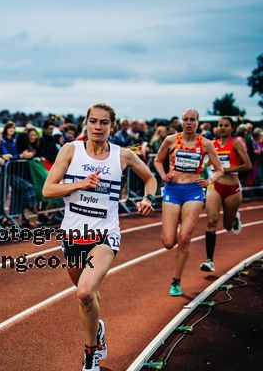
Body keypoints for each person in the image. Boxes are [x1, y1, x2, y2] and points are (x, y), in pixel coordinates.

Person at [43, 103, 156, 371]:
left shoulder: (123, 155)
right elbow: (48, 189)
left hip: (104, 235)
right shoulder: (71, 150)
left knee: (84, 292)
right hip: (72, 234)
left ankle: (91, 351)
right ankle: (98, 331)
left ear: (111, 126)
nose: (97, 127)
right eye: (93, 121)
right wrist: (80, 184)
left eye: (103, 122)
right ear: (86, 123)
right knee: (87, 295)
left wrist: (148, 197)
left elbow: (150, 178)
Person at [154, 109, 224, 296]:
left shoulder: (206, 143)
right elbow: (157, 160)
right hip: (172, 190)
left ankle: (176, 280)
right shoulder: (170, 140)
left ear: (198, 122)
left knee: (184, 237)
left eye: (192, 120)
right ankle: (179, 230)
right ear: (182, 121)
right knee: (169, 242)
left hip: (193, 191)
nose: (189, 123)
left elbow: (219, 169)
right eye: (186, 119)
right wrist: (163, 176)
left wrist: (209, 181)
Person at [201, 116, 252, 272]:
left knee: (227, 226)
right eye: (220, 125)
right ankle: (209, 260)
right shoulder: (213, 144)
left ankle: (234, 217)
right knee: (211, 220)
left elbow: (248, 165)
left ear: (232, 128)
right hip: (215, 186)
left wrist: (228, 169)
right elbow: (209, 162)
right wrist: (202, 166)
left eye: (226, 125)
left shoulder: (235, 143)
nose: (222, 128)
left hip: (232, 188)